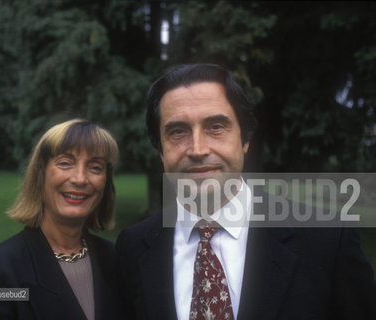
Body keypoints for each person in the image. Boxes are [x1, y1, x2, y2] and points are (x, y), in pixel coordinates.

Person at [116, 63, 376, 320]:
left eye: (215, 127)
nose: (197, 149)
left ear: (245, 140)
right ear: (161, 151)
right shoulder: (133, 248)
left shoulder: (328, 239)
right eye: (177, 131)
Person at [0, 119, 124, 320]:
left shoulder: (118, 260)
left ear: (105, 182)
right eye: (65, 163)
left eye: (95, 167)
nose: (80, 179)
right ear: (40, 174)